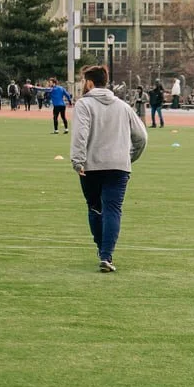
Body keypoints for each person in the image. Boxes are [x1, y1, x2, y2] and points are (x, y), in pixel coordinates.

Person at [70, 64, 147, 273]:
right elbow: (141, 137)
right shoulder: (123, 106)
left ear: (89, 82)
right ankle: (106, 254)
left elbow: (80, 134)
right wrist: (129, 158)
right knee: (113, 209)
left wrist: (77, 160)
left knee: (95, 207)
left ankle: (101, 248)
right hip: (118, 167)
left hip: (91, 166)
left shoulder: (84, 104)